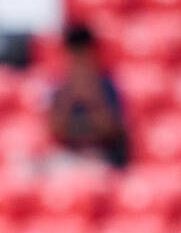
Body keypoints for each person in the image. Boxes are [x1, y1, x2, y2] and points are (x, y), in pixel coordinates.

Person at [47, 24, 129, 169]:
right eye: (75, 54)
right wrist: (69, 97)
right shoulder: (60, 88)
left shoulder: (107, 86)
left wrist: (92, 98)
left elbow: (112, 130)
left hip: (103, 157)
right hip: (71, 156)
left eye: (83, 53)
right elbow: (55, 130)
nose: (79, 60)